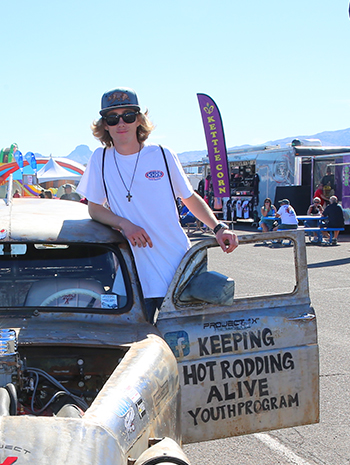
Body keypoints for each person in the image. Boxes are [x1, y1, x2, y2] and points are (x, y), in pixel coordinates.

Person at [77, 88, 238, 321]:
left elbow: (189, 198)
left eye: (128, 116)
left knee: (184, 341)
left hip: (176, 266)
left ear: (139, 120)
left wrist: (218, 227)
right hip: (133, 272)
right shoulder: (100, 159)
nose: (121, 123)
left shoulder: (162, 154)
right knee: (137, 345)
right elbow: (94, 208)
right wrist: (125, 224)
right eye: (113, 118)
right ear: (105, 125)